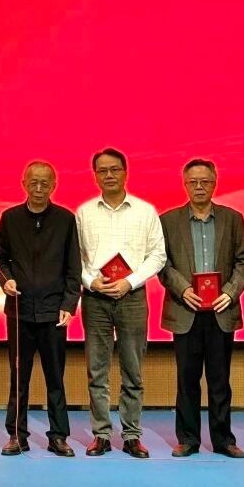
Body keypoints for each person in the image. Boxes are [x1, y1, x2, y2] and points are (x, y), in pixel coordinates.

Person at [76, 148, 167, 458]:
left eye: (115, 169)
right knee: (96, 370)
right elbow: (75, 257)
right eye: (102, 170)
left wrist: (131, 281)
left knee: (133, 370)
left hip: (132, 297)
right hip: (95, 298)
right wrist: (91, 281)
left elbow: (158, 255)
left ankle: (131, 435)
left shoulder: (145, 211)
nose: (109, 175)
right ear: (95, 176)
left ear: (126, 172)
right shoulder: (84, 213)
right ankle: (101, 434)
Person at [157, 159, 244, 458]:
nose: (199, 187)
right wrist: (183, 289)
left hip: (221, 311)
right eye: (193, 182)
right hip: (185, 310)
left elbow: (243, 262)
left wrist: (230, 292)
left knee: (220, 380)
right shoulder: (168, 220)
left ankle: (223, 440)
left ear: (215, 183)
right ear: (185, 184)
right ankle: (188, 439)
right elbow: (163, 264)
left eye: (205, 181)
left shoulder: (232, 218)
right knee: (187, 380)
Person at [0, 161, 82, 457]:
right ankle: (17, 435)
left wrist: (69, 303)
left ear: (54, 185)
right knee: (19, 377)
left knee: (55, 378)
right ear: (24, 184)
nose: (39, 188)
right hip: (19, 311)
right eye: (34, 182)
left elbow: (73, 266)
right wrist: (6, 281)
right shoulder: (10, 218)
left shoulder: (65, 219)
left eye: (45, 183)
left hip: (54, 312)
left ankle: (58, 436)